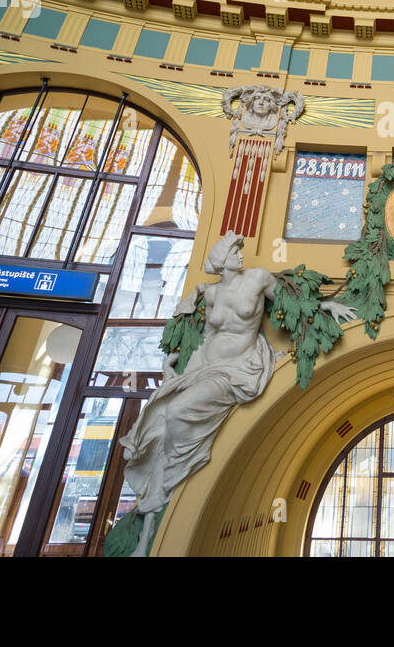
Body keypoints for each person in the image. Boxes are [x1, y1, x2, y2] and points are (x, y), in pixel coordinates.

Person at [118, 232, 354, 556]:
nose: (241, 256)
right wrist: (175, 369)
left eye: (240, 251)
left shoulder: (256, 278)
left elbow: (290, 303)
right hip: (205, 367)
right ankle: (151, 517)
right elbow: (207, 335)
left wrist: (326, 304)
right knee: (158, 420)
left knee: (177, 413)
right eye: (234, 252)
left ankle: (170, 480)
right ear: (221, 260)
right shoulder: (212, 294)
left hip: (238, 370)